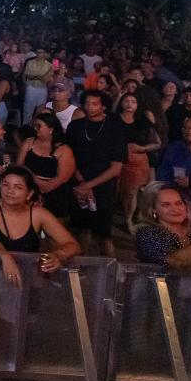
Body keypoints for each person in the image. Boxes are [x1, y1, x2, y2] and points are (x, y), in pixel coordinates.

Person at [0, 166, 81, 288]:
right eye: (5, 185)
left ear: (29, 193)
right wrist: (5, 256)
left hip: (24, 279)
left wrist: (59, 255)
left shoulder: (38, 213)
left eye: (18, 187)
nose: (10, 191)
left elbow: (73, 245)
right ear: (0, 186)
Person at [66, 90, 127, 258]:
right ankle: (80, 267)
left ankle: (111, 269)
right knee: (81, 229)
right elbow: (68, 157)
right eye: (87, 103)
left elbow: (116, 167)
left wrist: (89, 185)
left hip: (103, 186)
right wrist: (81, 182)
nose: (90, 107)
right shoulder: (75, 127)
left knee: (103, 234)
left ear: (104, 106)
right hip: (78, 183)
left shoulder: (114, 129)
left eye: (94, 104)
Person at [114, 92, 161, 230]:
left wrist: (142, 148)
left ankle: (128, 220)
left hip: (136, 161)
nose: (129, 104)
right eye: (126, 101)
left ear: (138, 105)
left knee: (131, 193)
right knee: (116, 191)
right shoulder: (113, 119)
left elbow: (157, 143)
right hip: (115, 159)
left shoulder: (143, 120)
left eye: (133, 101)